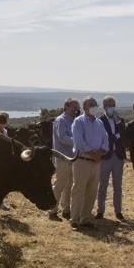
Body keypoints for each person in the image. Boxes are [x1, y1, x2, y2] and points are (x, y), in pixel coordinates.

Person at [69, 96, 109, 229]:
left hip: (96, 163)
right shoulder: (78, 122)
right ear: (85, 107)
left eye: (95, 104)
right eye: (90, 104)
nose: (93, 106)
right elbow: (79, 142)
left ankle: (85, 218)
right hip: (82, 161)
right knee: (78, 190)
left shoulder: (99, 123)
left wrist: (101, 153)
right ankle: (74, 219)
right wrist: (93, 153)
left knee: (92, 191)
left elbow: (105, 140)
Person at [96, 96, 126, 220]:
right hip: (105, 157)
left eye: (113, 104)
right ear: (104, 106)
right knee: (102, 185)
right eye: (109, 105)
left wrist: (117, 125)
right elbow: (102, 137)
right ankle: (100, 211)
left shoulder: (120, 120)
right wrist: (115, 136)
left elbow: (124, 134)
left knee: (117, 186)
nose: (111, 107)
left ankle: (118, 211)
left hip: (118, 157)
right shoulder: (99, 121)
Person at [51, 98, 80, 221]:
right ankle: (52, 210)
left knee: (69, 185)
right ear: (67, 106)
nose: (77, 109)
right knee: (60, 185)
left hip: (72, 158)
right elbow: (62, 138)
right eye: (75, 107)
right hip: (62, 157)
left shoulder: (75, 120)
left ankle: (66, 209)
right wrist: (79, 141)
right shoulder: (60, 120)